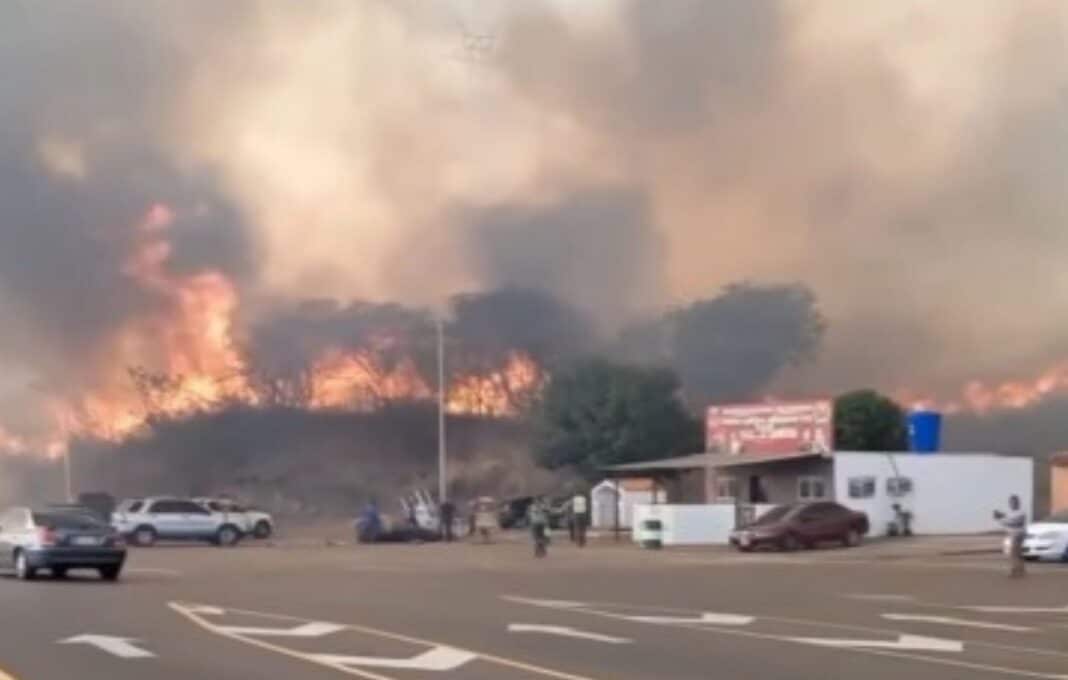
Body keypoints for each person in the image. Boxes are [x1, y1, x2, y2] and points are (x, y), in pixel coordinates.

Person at [994, 494, 1027, 578]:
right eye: (1011, 502)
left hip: (1018, 535)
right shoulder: (1011, 513)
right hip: (1012, 534)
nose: (1012, 504)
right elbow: (1007, 519)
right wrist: (1000, 516)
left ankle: (1014, 570)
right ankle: (1021, 570)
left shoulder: (1021, 513)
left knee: (1013, 553)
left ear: (1017, 503)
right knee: (1018, 553)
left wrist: (1000, 518)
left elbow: (1012, 522)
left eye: (1013, 502)